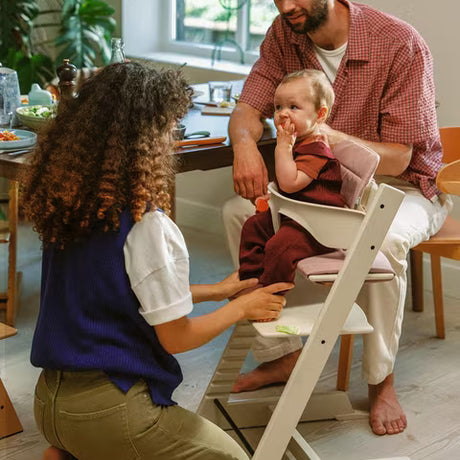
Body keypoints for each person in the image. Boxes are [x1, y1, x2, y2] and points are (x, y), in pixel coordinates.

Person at [21, 62, 293, 460]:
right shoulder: (148, 225)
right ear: (147, 138)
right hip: (109, 410)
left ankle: (72, 451)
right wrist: (241, 307)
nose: (173, 137)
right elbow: (176, 337)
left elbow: (122, 294)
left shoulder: (71, 206)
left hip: (49, 405)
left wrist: (218, 290)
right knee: (232, 457)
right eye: (170, 127)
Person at [223, 0, 452, 436]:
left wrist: (328, 136)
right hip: (326, 185)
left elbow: (400, 156)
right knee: (239, 211)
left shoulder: (399, 43)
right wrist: (244, 146)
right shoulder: (283, 33)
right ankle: (282, 355)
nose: (287, 6)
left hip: (402, 186)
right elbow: (247, 110)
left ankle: (380, 379)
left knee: (381, 242)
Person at [239, 69, 345, 293]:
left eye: (293, 107)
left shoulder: (317, 150)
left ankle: (271, 295)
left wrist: (283, 147)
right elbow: (286, 188)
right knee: (253, 226)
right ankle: (250, 282)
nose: (283, 114)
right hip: (296, 215)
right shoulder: (299, 142)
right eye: (278, 107)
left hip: (318, 225)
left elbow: (289, 182)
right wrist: (274, 197)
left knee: (281, 247)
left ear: (320, 115)